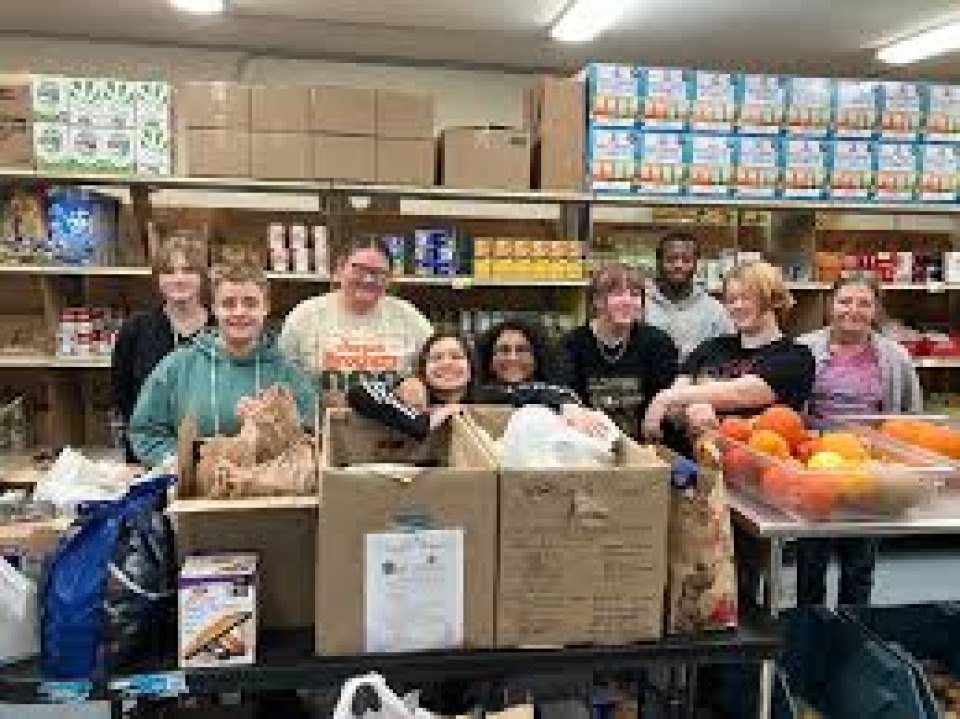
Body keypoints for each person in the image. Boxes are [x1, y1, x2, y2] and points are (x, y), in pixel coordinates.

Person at [794, 274, 922, 607]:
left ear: (876, 309)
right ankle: (812, 640)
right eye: (845, 301)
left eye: (864, 303)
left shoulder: (896, 358)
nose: (853, 310)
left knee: (860, 564)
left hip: (870, 473)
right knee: (810, 563)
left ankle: (854, 640)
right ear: (830, 305)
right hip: (817, 469)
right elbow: (790, 412)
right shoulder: (804, 349)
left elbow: (910, 418)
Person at [129, 263, 316, 469]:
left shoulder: (289, 374)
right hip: (195, 493)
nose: (239, 312)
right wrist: (191, 464)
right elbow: (145, 433)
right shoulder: (177, 366)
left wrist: (273, 427)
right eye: (228, 304)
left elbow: (310, 441)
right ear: (214, 309)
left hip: (270, 492)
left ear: (266, 308)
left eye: (250, 303)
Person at [644, 260, 815, 441]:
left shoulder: (795, 357)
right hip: (695, 460)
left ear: (773, 299)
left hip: (760, 461)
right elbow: (674, 406)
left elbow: (740, 393)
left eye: (747, 298)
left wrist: (665, 398)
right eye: (731, 300)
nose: (737, 306)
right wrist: (688, 411)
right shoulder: (711, 347)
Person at [278, 237, 433, 409]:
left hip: (393, 430)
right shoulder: (305, 316)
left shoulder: (410, 319)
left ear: (390, 279)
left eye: (378, 273)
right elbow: (281, 375)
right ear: (338, 270)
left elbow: (437, 369)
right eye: (359, 270)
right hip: (319, 429)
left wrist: (417, 386)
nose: (368, 279)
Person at [350, 329, 585, 440]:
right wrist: (423, 421)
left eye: (456, 356)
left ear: (471, 366)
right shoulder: (412, 396)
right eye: (436, 358)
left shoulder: (488, 396)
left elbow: (545, 391)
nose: (447, 363)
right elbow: (360, 392)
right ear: (423, 369)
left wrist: (569, 406)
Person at [112, 235, 210, 462]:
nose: (178, 279)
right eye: (168, 272)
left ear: (202, 277)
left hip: (209, 456)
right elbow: (122, 394)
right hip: (150, 457)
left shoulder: (220, 328)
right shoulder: (136, 330)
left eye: (187, 270)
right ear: (157, 279)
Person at [563, 263, 679, 439]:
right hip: (588, 445)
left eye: (634, 295)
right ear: (597, 301)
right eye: (617, 294)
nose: (627, 302)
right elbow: (565, 398)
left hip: (647, 446)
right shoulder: (572, 345)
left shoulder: (658, 343)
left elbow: (666, 401)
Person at [644, 231, 733, 360]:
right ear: (658, 262)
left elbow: (727, 357)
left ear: (696, 264)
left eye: (686, 260)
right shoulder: (641, 305)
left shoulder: (715, 311)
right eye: (671, 259)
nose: (678, 265)